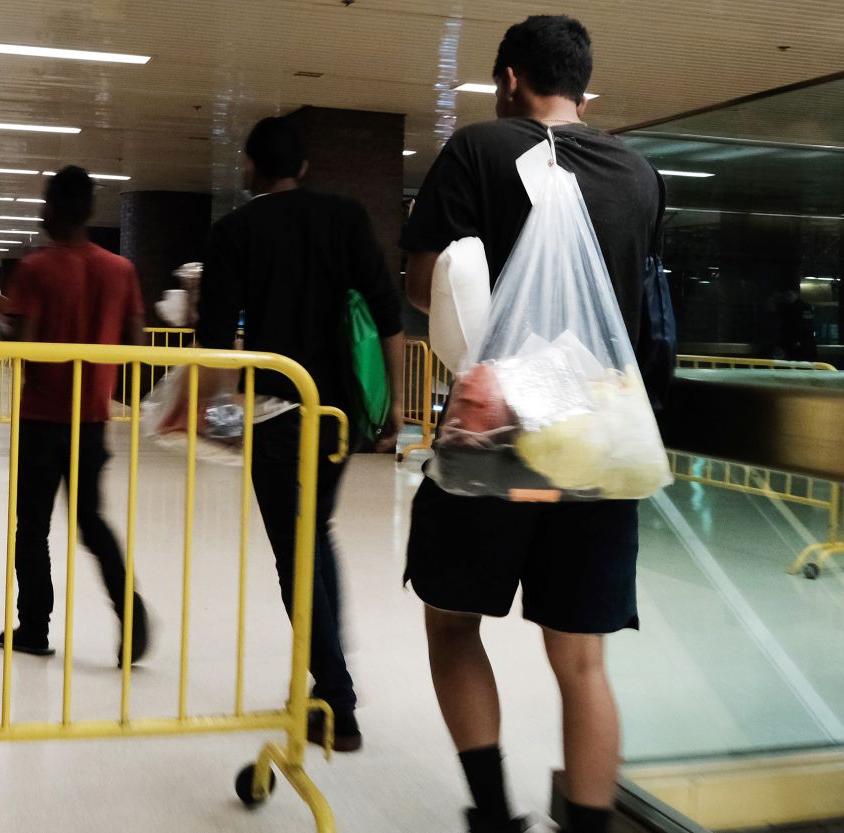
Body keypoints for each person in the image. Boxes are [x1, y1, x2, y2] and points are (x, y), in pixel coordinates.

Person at [401, 16, 666, 833]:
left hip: (496, 428)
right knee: (582, 657)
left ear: (510, 79)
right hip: (596, 429)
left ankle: (494, 815)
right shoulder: (640, 173)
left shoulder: (478, 150)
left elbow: (424, 287)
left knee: (452, 623)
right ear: (584, 85)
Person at [197, 116, 406, 752]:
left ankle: (335, 699)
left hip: (276, 414)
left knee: (296, 551)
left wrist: (212, 414)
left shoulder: (236, 231)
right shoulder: (346, 217)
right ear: (306, 166)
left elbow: (213, 342)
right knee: (315, 535)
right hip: (339, 414)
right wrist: (395, 405)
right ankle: (324, 679)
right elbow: (386, 312)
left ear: (250, 167)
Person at [0, 165, 150, 665]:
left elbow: (31, 347)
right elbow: (136, 341)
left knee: (32, 528)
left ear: (52, 208)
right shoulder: (120, 270)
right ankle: (130, 607)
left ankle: (33, 626)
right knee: (91, 521)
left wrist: (4, 324)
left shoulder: (37, 269)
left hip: (42, 418)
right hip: (92, 419)